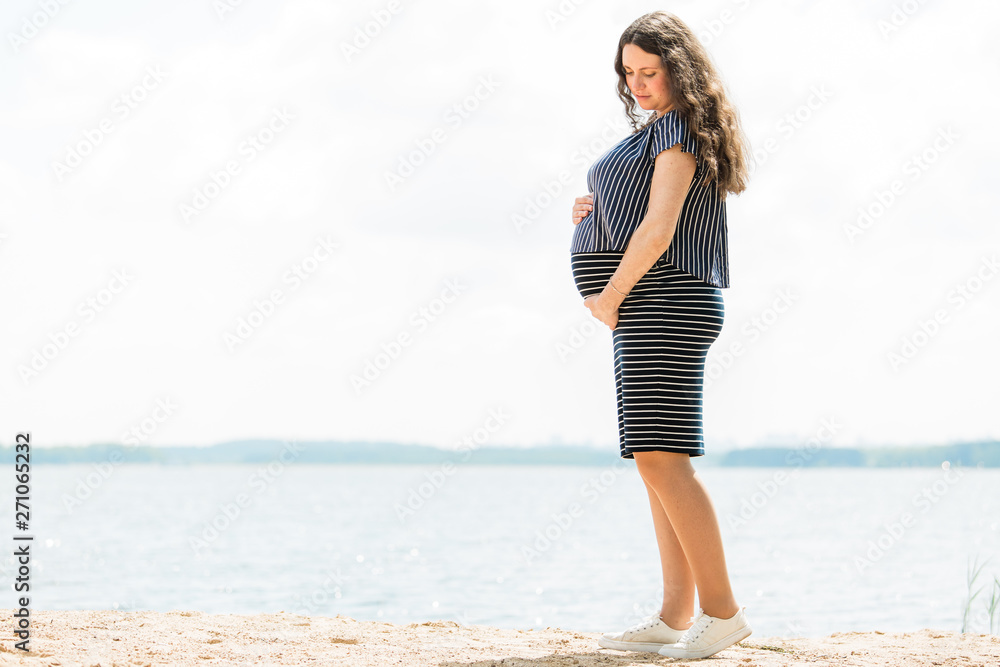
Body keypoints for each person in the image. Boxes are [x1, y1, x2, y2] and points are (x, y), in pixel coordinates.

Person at [568, 10, 753, 661]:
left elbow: (661, 229)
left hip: (665, 302)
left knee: (663, 459)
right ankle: (675, 615)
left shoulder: (677, 130)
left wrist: (610, 294)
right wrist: (589, 210)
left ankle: (721, 611)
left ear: (679, 67)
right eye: (629, 74)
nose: (639, 84)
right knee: (653, 461)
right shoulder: (660, 129)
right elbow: (636, 212)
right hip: (650, 305)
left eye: (650, 71)